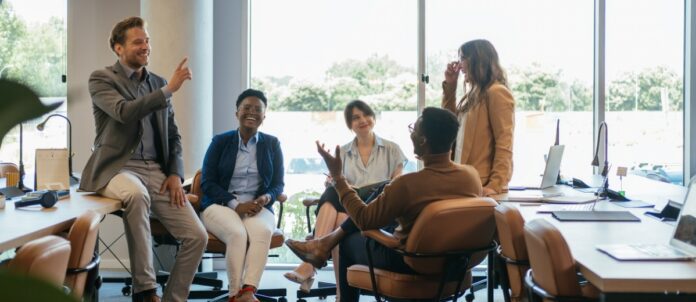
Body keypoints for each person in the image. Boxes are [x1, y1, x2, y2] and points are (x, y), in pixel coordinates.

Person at [286, 107, 482, 302]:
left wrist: (338, 177)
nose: (411, 133)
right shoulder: (471, 176)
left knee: (346, 241)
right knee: (383, 188)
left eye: (414, 129)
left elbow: (364, 219)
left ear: (423, 140)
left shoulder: (408, 184)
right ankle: (323, 243)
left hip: (409, 259)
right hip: (455, 261)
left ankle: (327, 251)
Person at [79, 16, 207, 302]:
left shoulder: (158, 83)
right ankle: (146, 290)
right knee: (136, 195)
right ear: (118, 48)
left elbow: (173, 136)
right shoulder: (102, 79)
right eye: (138, 41)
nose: (145, 46)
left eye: (147, 40)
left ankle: (173, 298)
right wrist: (168, 91)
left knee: (197, 236)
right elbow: (124, 112)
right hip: (117, 168)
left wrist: (175, 173)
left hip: (157, 172)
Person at [284, 100, 406, 294]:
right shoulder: (343, 152)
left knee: (342, 215)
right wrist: (333, 181)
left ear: (373, 118)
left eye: (366, 115)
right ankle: (337, 290)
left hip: (376, 210)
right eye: (355, 118)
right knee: (335, 197)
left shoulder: (392, 149)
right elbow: (339, 185)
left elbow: (395, 187)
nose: (362, 120)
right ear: (350, 125)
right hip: (351, 209)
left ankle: (311, 264)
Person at [199, 89, 284, 302]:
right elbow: (207, 182)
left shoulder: (272, 144)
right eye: (247, 108)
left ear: (264, 116)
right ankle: (234, 294)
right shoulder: (220, 142)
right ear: (237, 112)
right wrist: (235, 204)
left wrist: (265, 198)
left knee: (263, 231)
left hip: (257, 206)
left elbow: (277, 184)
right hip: (220, 205)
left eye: (258, 109)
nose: (252, 113)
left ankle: (248, 291)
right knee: (237, 234)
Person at [442, 39, 515, 196]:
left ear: (476, 60)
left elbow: (504, 143)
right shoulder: (473, 95)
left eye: (462, 58)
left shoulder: (496, 92)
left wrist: (495, 185)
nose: (459, 65)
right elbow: (448, 126)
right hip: (466, 183)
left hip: (483, 187)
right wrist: (451, 87)